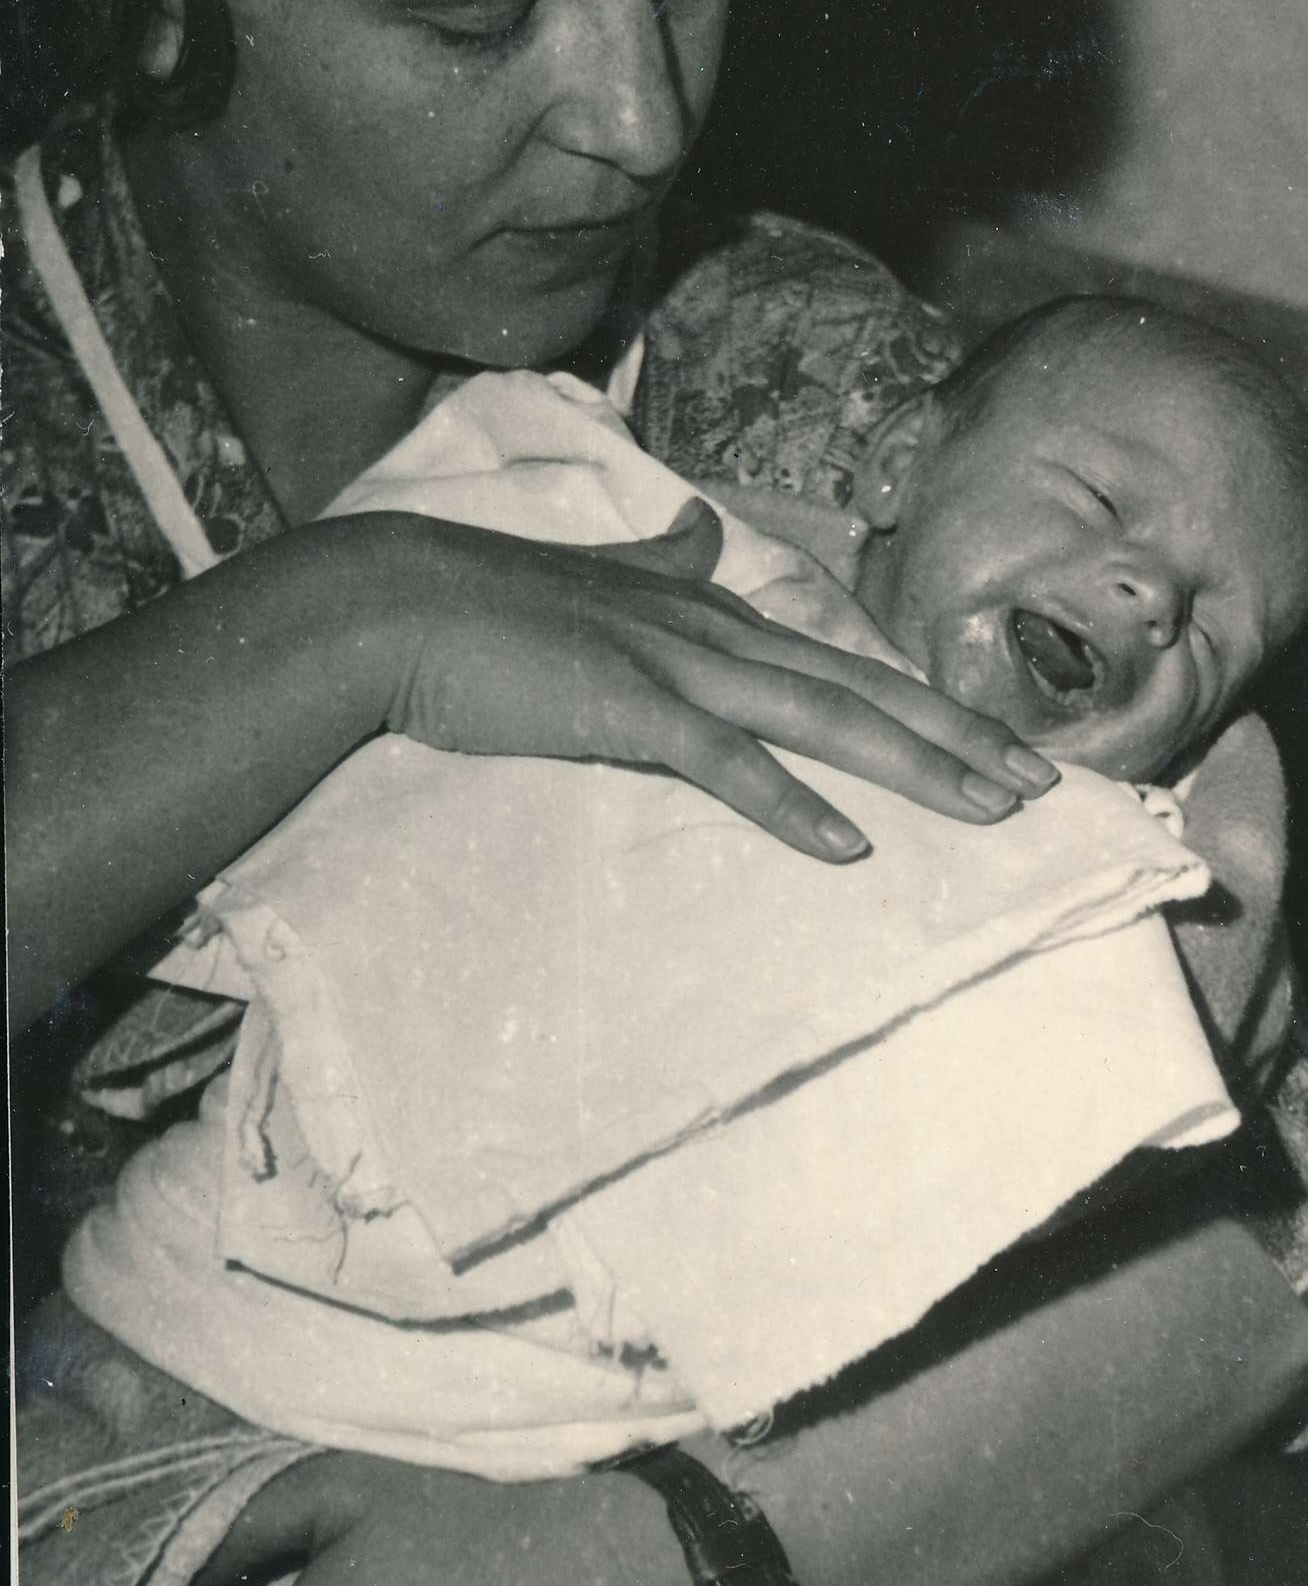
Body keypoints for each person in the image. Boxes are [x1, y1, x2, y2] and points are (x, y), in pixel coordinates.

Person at [5, 0, 1307, 1583]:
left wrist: (665, 1541)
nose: (639, 115)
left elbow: (1263, 1209)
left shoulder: (773, 371)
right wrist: (356, 619)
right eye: (487, 8)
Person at [41, 294, 1307, 1531]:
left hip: (560, 1469)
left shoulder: (1095, 867)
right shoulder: (676, 574)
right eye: (1095, 500)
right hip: (188, 1319)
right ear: (896, 467)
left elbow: (1188, 1073)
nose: (1151, 596)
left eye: (1210, 633)